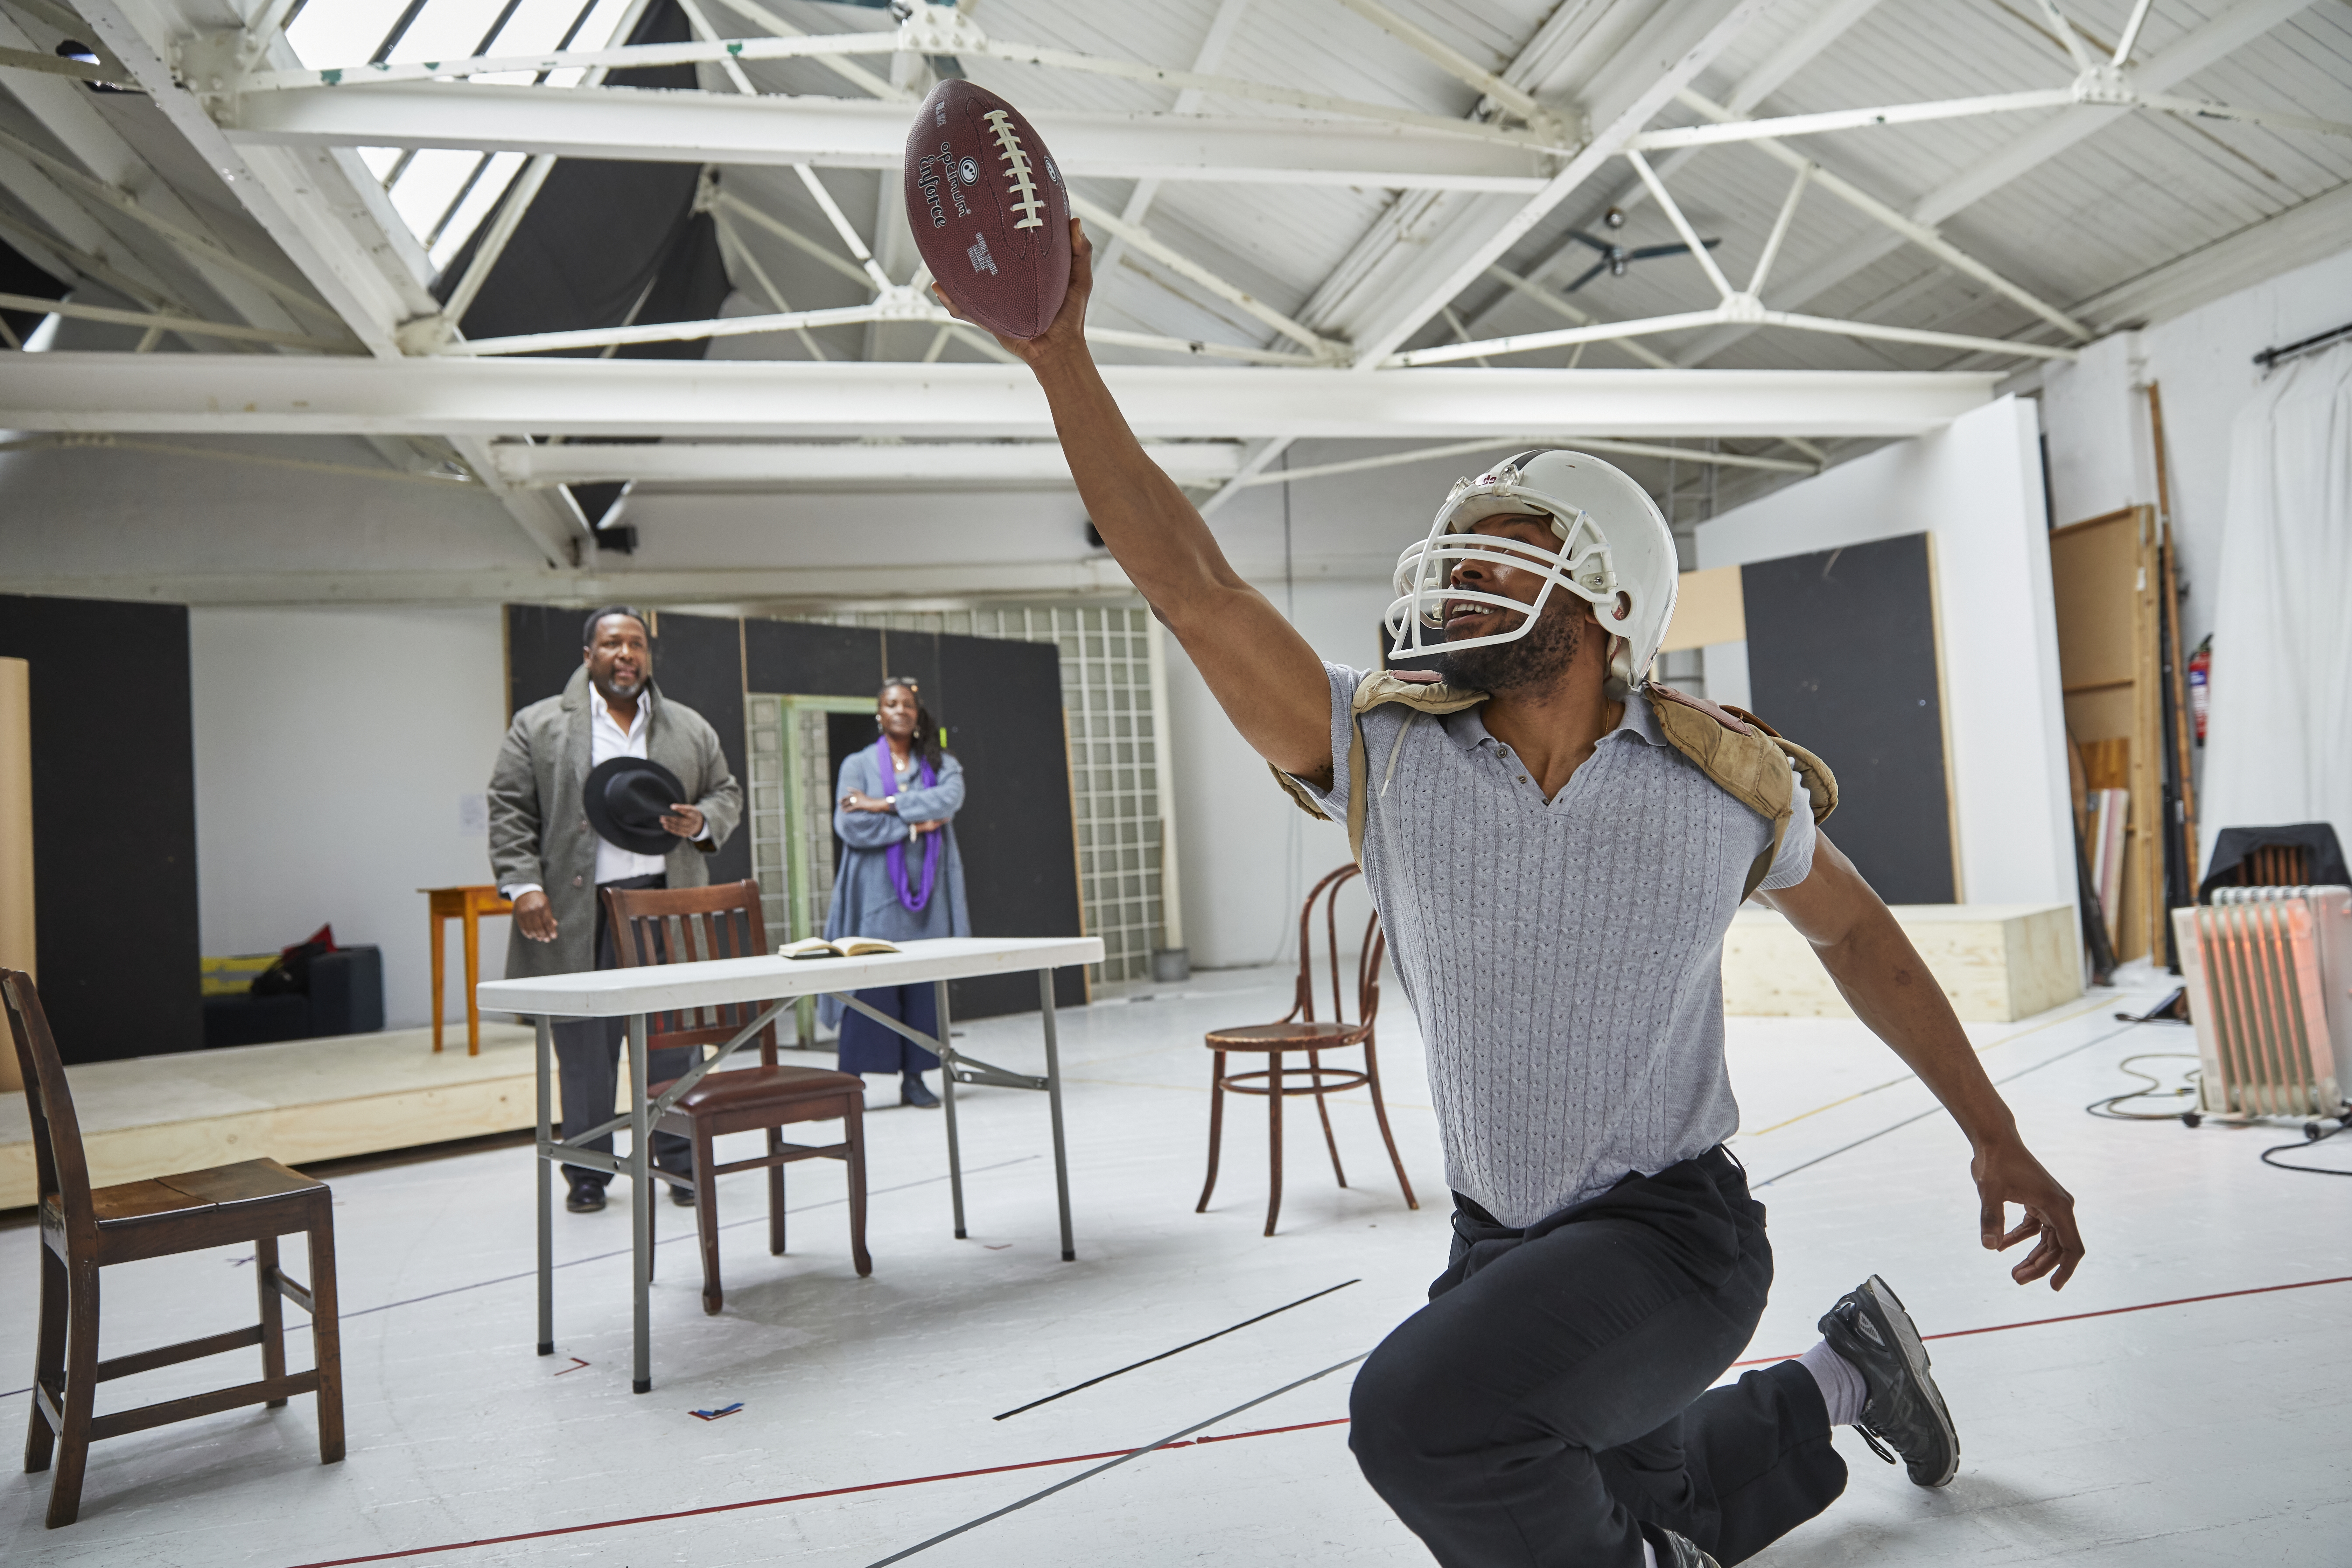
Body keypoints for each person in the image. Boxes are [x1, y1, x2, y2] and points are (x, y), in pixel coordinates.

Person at [940, 223, 2085, 1568]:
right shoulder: (1383, 757)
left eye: (1501, 549)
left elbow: (1858, 940)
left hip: (1671, 1241)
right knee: (1623, 1498)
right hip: (1501, 1241)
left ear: (1603, 599)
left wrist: (1993, 1132)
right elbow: (1190, 591)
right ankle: (1843, 1375)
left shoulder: (1721, 783)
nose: (1458, 570)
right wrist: (1059, 356)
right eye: (1458, 551)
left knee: (1426, 1422)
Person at [487, 607, 744, 1215]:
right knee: (583, 1052)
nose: (625, 654)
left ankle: (679, 1163)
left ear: (647, 655)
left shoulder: (688, 727)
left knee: (674, 1047)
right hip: (580, 911)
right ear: (588, 655)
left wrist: (704, 819)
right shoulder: (540, 724)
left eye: (636, 643)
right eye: (611, 644)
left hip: (664, 908)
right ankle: (588, 1172)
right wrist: (523, 887)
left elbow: (725, 790)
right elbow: (508, 808)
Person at [820, 677, 971, 1108]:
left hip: (930, 895)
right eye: (891, 703)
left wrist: (882, 803)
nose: (900, 710)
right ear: (879, 713)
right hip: (875, 894)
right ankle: (851, 1081)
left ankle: (916, 1079)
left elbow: (950, 798)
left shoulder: (939, 763)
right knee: (870, 983)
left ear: (918, 713)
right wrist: (912, 823)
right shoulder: (857, 763)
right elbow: (850, 823)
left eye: (907, 703)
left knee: (923, 985)